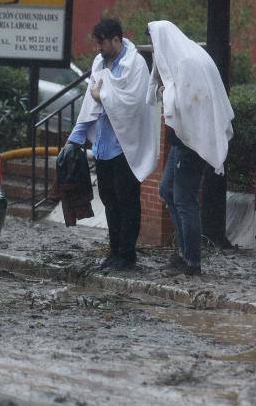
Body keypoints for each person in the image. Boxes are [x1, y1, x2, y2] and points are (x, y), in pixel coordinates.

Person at [68, 18, 159, 270]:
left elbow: (133, 102)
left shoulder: (135, 64)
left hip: (125, 147)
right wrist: (75, 138)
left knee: (127, 200)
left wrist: (104, 95)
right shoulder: (99, 62)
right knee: (108, 199)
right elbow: (90, 102)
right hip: (103, 145)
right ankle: (114, 249)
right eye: (96, 43)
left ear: (116, 40)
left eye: (102, 43)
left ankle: (127, 254)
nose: (98, 48)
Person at [146, 20, 234, 276]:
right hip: (183, 141)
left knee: (185, 200)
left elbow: (186, 101)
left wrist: (165, 93)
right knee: (167, 190)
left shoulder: (187, 63)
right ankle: (184, 251)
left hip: (191, 142)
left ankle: (191, 260)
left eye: (153, 43)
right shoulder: (186, 56)